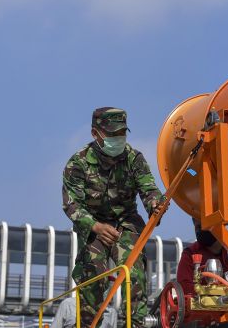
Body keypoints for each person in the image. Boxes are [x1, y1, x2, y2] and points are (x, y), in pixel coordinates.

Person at [63, 107, 166, 328]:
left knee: (133, 270)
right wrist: (96, 227)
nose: (117, 139)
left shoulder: (134, 159)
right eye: (111, 134)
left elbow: (148, 188)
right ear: (95, 134)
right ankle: (88, 324)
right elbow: (71, 205)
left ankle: (135, 323)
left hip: (125, 223)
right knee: (92, 272)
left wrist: (154, 204)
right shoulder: (77, 164)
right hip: (93, 224)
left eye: (121, 133)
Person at [176, 218, 228, 296]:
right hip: (204, 307)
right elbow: (184, 289)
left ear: (220, 224)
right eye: (197, 227)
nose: (200, 231)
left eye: (204, 226)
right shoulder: (190, 254)